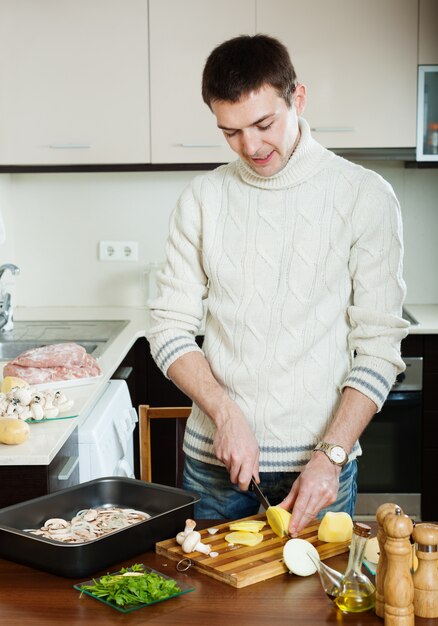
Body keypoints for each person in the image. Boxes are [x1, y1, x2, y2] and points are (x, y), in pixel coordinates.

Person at [146, 34, 409, 535]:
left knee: (315, 612)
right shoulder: (203, 198)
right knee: (213, 612)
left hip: (319, 473)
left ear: (298, 99)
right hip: (215, 472)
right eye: (230, 132)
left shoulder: (364, 196)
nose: (250, 147)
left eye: (264, 124)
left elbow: (378, 349)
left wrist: (330, 458)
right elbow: (167, 329)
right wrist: (225, 414)